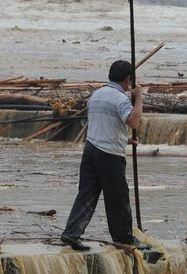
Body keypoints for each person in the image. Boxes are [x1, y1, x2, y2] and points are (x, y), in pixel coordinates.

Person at [61, 60, 146, 251]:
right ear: (128, 79)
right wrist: (139, 97)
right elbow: (133, 121)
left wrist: (124, 140)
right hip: (109, 155)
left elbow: (103, 126)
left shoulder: (97, 94)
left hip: (91, 150)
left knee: (87, 194)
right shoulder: (119, 98)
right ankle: (124, 239)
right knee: (117, 198)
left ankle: (72, 233)